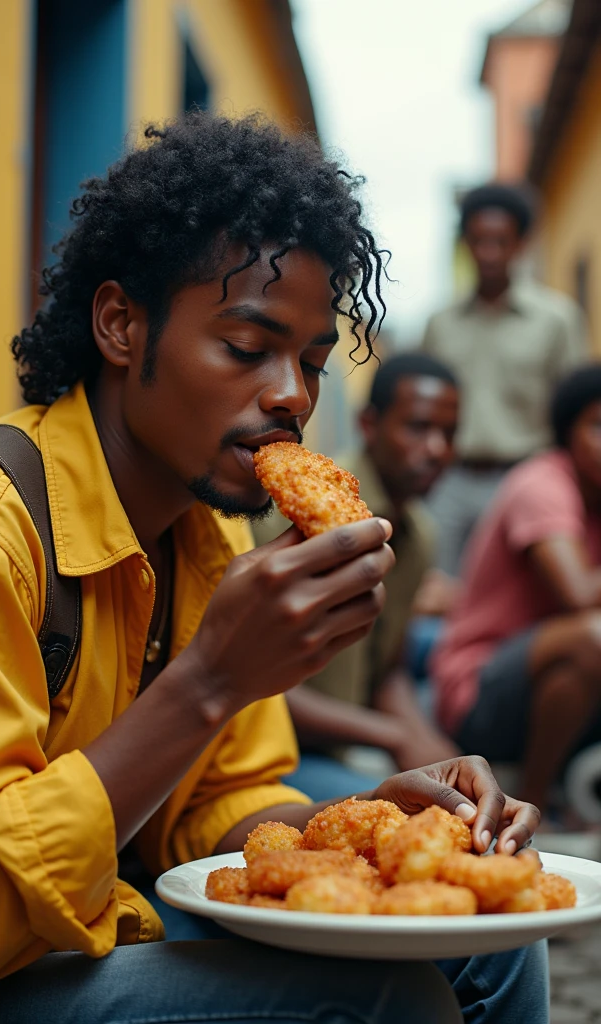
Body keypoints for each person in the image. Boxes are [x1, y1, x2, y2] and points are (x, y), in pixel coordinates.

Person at [0, 113, 544, 1024]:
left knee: (491, 937)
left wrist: (375, 828)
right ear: (122, 324)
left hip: (99, 921)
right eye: (248, 349)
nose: (291, 394)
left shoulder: (208, 539)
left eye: (313, 361)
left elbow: (219, 810)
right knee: (384, 999)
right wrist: (207, 682)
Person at [253, 354, 462, 801]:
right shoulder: (300, 515)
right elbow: (252, 685)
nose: (437, 449)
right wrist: (392, 735)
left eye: (449, 434)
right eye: (418, 428)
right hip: (270, 755)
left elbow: (388, 669)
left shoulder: (419, 534)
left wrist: (424, 742)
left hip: (340, 751)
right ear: (369, 425)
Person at [433, 363, 601, 817]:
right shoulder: (542, 484)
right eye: (598, 426)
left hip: (559, 686)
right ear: (568, 431)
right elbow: (581, 596)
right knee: (593, 637)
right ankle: (535, 803)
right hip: (478, 690)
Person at [422, 183, 587, 577]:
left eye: (501, 241)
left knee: (518, 596)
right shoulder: (439, 325)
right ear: (465, 244)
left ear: (521, 245)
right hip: (451, 484)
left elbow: (575, 411)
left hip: (527, 480)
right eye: (478, 240)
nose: (489, 253)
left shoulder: (557, 320)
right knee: (437, 595)